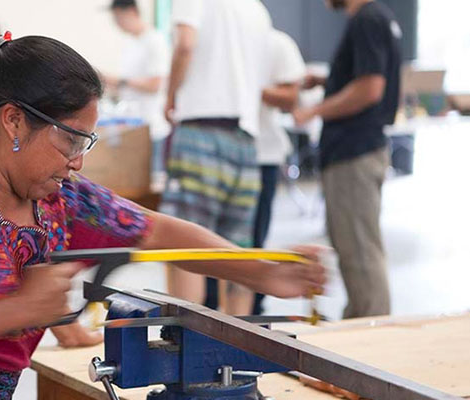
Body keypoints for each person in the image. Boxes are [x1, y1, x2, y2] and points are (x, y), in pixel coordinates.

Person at [0, 32, 326, 399]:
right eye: (70, 138)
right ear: (13, 120)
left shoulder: (54, 194)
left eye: (86, 140)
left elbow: (161, 232)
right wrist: (22, 308)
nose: (78, 159)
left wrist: (264, 268)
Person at [161, 0, 273, 315]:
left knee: (183, 248)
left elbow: (185, 45)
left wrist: (169, 97)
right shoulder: (257, 10)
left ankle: (184, 348)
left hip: (201, 134)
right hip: (246, 142)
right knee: (237, 258)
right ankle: (236, 353)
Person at [293, 0, 401, 318]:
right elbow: (366, 76)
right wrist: (327, 82)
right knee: (356, 249)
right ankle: (363, 327)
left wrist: (313, 110)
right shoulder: (378, 18)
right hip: (359, 151)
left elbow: (370, 88)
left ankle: (368, 344)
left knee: (360, 256)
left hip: (354, 154)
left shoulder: (366, 19)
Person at [252, 29, 306, 315]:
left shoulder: (275, 42)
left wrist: (244, 88)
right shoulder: (207, 38)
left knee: (252, 245)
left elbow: (290, 97)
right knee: (205, 252)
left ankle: (252, 320)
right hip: (215, 154)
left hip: (262, 154)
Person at [102, 0, 170, 176]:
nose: (117, 23)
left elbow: (156, 84)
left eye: (118, 17)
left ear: (131, 12)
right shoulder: (131, 44)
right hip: (133, 126)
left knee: (152, 182)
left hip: (152, 128)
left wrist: (120, 81)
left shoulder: (155, 40)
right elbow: (128, 86)